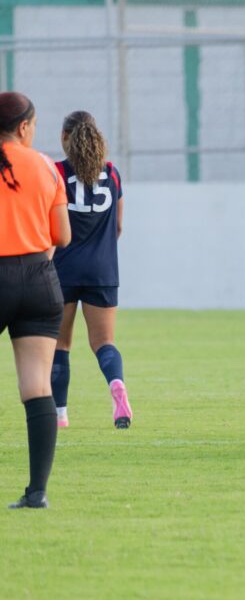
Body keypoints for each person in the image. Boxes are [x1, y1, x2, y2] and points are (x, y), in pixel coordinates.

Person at [0, 92, 71, 508]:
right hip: (40, 280)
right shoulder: (45, 165)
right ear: (24, 127)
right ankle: (36, 492)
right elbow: (61, 236)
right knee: (36, 386)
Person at [48, 111, 133, 430]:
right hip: (103, 270)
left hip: (63, 268)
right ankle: (116, 385)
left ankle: (60, 416)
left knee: (60, 344)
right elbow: (119, 226)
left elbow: (50, 223)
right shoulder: (112, 174)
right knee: (104, 342)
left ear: (66, 137)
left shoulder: (55, 172)